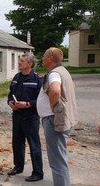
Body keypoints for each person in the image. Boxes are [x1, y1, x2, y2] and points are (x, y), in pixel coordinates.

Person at [37, 47, 78, 186]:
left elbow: (55, 90)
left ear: (50, 58)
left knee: (57, 162)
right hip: (57, 119)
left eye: (43, 56)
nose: (41, 59)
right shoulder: (63, 71)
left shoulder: (54, 74)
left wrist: (54, 107)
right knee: (60, 158)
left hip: (53, 120)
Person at [7, 53, 43, 182]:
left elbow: (41, 100)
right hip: (17, 115)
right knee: (17, 143)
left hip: (30, 117)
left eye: (21, 61)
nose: (18, 63)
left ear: (30, 64)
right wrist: (10, 103)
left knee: (34, 145)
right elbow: (11, 93)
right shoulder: (17, 77)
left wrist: (27, 104)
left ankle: (38, 172)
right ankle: (18, 166)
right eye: (19, 60)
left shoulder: (38, 79)